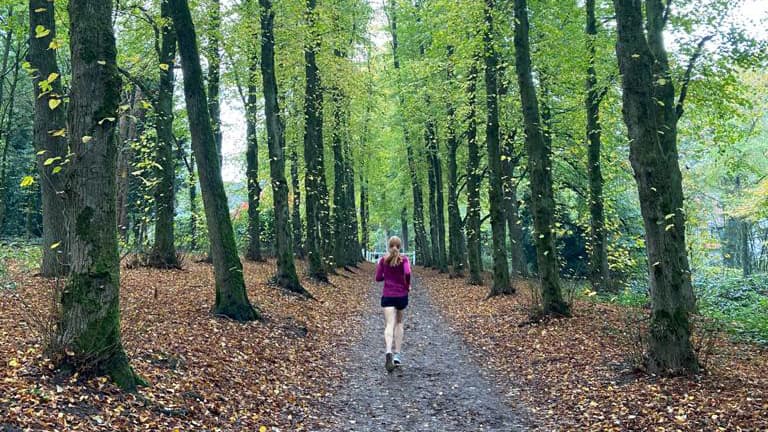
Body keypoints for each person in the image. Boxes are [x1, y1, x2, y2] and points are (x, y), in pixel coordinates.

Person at [375, 236, 411, 372]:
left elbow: (378, 278)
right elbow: (407, 272)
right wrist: (407, 286)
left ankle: (388, 351)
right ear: (400, 247)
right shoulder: (404, 260)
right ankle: (397, 355)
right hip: (401, 295)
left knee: (389, 324)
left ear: (388, 247)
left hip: (388, 296)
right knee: (399, 323)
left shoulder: (383, 260)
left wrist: (387, 276)